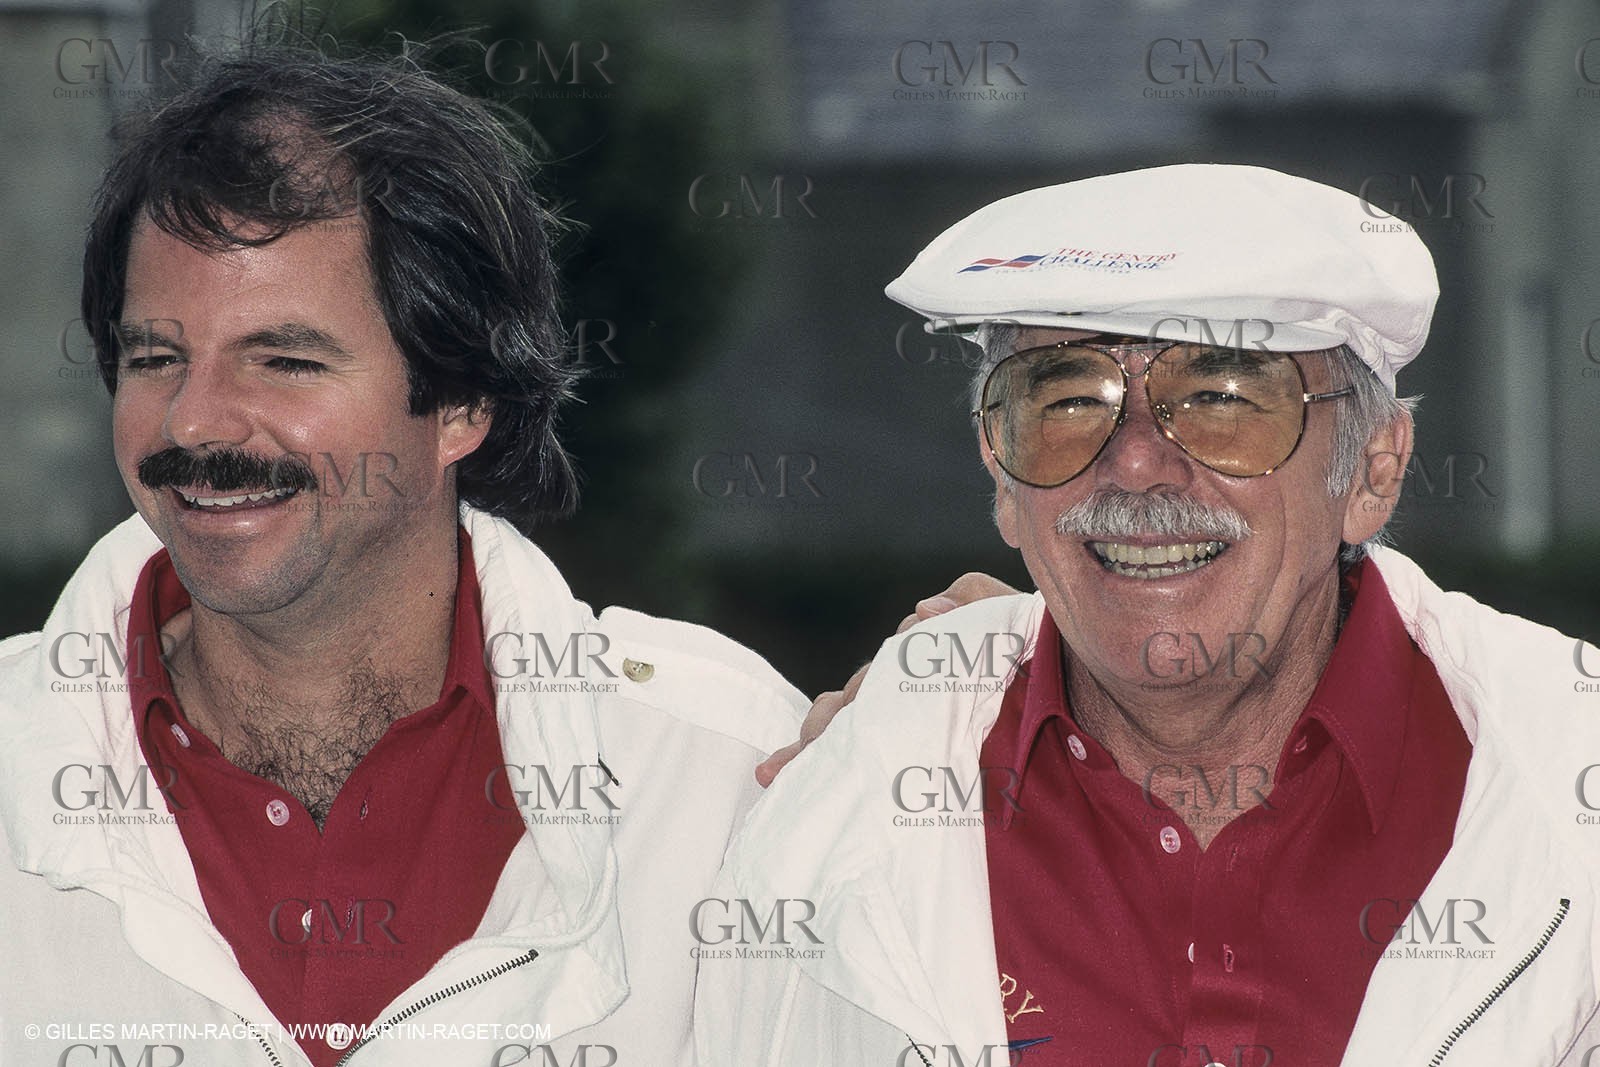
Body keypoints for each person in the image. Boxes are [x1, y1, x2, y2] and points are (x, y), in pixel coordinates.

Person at [0, 45, 969, 1067]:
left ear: (462, 402)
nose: (193, 419)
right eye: (155, 358)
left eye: (284, 360)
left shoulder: (720, 767)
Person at [695, 164, 1600, 1066]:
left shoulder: (1567, 781)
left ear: (1372, 469)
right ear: (1000, 475)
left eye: (1220, 399)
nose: (1133, 464)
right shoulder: (844, 801)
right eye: (1067, 399)